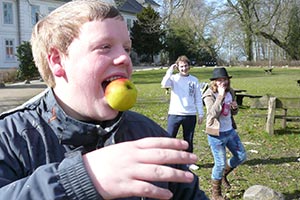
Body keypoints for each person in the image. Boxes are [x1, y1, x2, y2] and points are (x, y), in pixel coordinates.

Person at [0, 1, 210, 199]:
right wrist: (82, 179)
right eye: (105, 47)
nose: (125, 59)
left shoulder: (147, 134)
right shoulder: (11, 139)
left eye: (126, 48)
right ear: (57, 61)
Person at [202, 67, 247, 200]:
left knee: (241, 156)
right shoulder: (209, 95)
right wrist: (220, 96)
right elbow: (212, 114)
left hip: (230, 131)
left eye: (225, 80)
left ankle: (223, 175)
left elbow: (233, 113)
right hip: (216, 134)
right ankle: (216, 194)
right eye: (219, 80)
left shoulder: (231, 92)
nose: (223, 83)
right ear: (214, 82)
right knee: (219, 164)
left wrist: (235, 108)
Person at [161, 55, 204, 171]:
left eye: (185, 66)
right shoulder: (174, 79)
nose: (184, 68)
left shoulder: (194, 80)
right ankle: (167, 161)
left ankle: (188, 162)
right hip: (174, 113)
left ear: (189, 66)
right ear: (178, 67)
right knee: (169, 138)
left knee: (188, 139)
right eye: (181, 66)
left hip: (190, 114)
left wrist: (201, 113)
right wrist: (170, 70)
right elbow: (164, 84)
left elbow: (198, 98)